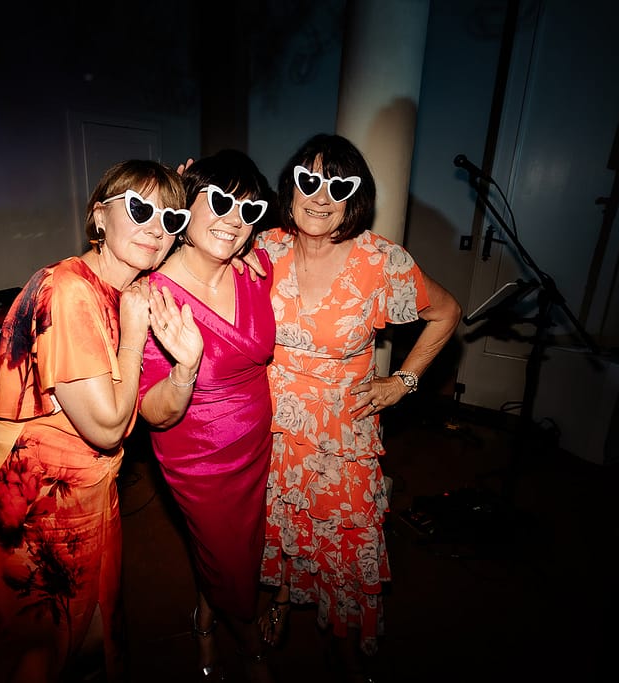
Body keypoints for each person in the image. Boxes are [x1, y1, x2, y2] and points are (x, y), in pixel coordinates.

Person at [0, 159, 196, 683]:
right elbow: (108, 427)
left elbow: (143, 408)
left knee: (91, 634)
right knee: (35, 653)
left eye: (171, 218)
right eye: (140, 209)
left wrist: (185, 369)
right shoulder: (70, 290)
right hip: (28, 495)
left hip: (87, 492)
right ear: (99, 217)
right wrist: (134, 336)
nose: (157, 228)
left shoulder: (126, 290)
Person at [255, 134, 462, 682]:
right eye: (309, 181)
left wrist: (404, 381)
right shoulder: (265, 249)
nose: (321, 197)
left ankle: (341, 634)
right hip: (271, 426)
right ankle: (280, 599)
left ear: (355, 198)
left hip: (341, 434)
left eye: (338, 186)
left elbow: (447, 312)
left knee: (343, 543)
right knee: (280, 521)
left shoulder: (380, 261)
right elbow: (202, 249)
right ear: (290, 187)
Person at [136, 149, 277, 682]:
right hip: (200, 459)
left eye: (249, 210)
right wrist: (186, 368)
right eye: (219, 201)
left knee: (233, 551)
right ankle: (252, 647)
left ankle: (204, 618)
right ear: (187, 204)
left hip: (258, 446)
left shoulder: (255, 270)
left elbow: (312, 232)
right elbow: (152, 413)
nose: (234, 219)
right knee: (231, 562)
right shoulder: (152, 296)